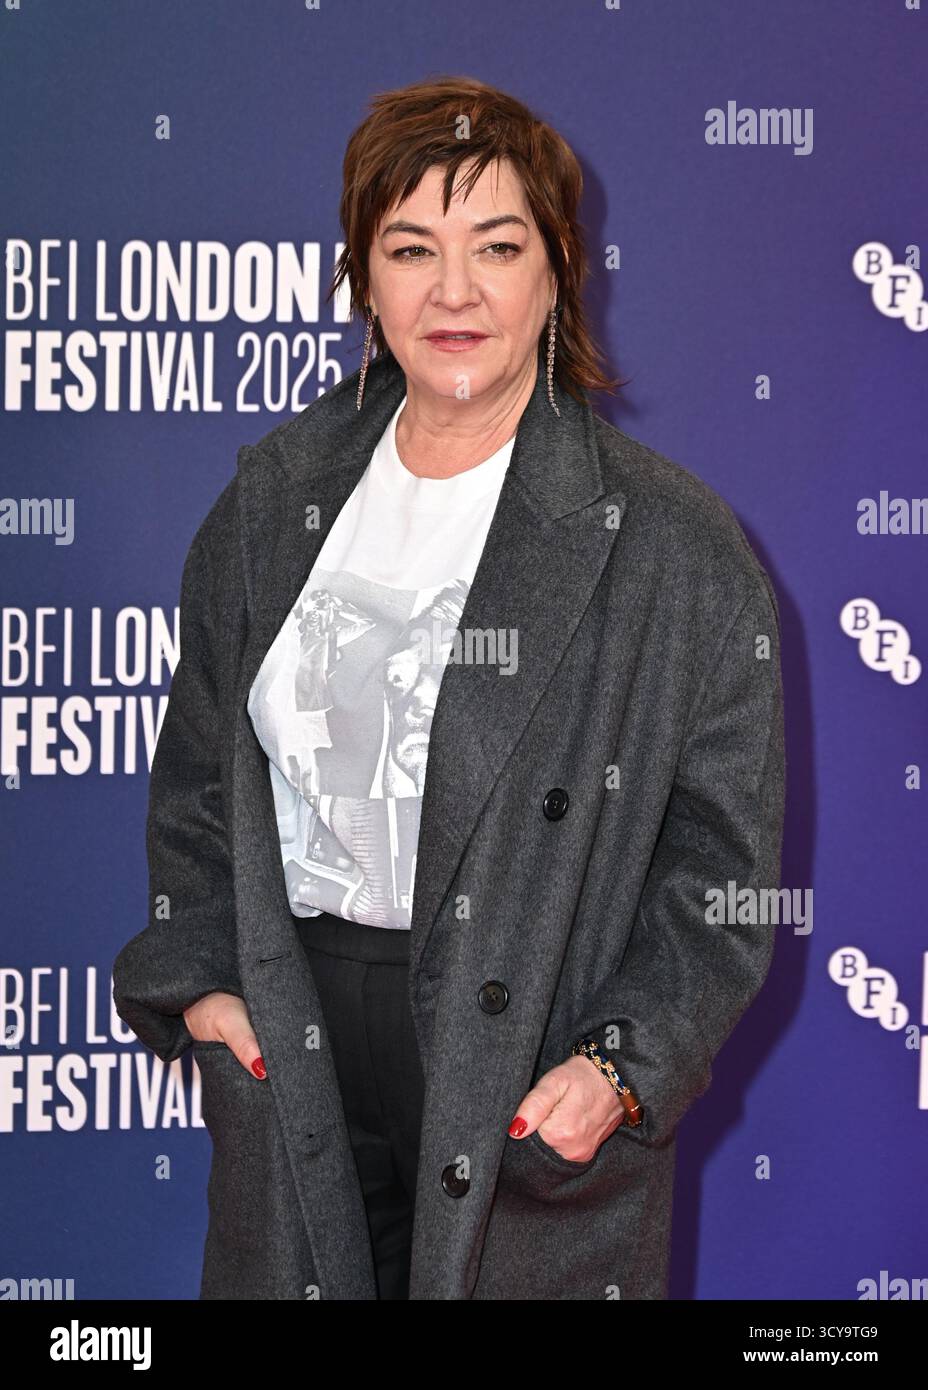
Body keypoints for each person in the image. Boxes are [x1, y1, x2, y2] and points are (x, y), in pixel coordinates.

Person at [112, 75, 786, 1300]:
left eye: (497, 245)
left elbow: (720, 871)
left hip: (527, 1058)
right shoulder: (273, 502)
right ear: (364, 276)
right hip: (295, 1039)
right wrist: (207, 991)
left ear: (557, 271)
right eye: (411, 247)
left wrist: (619, 1073)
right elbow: (198, 788)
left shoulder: (673, 545)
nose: (455, 290)